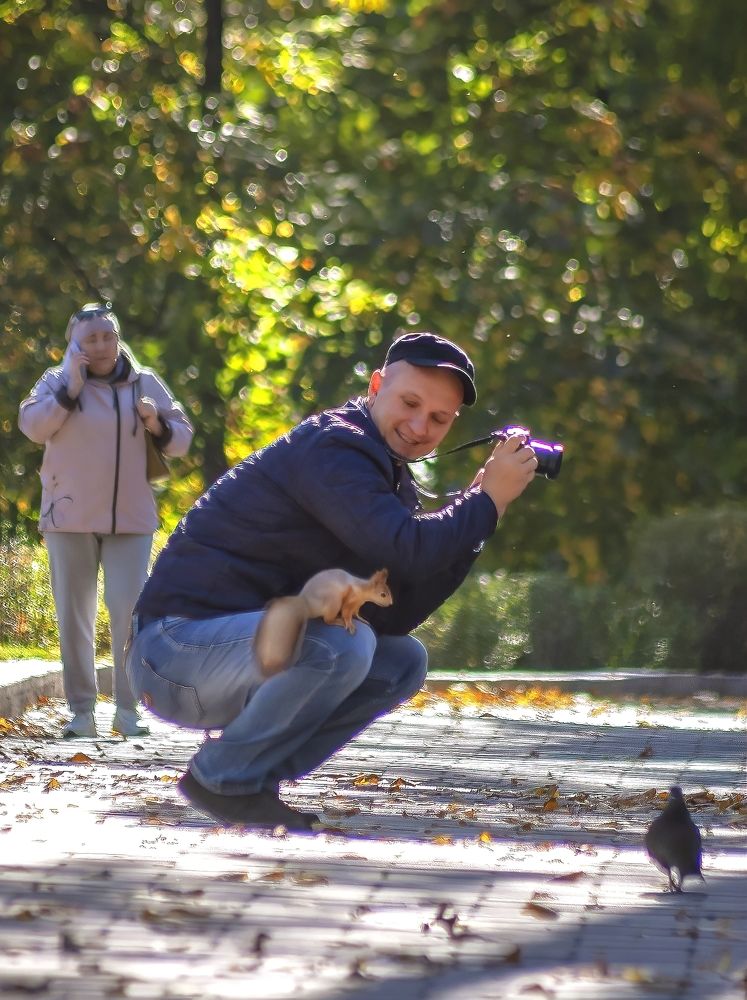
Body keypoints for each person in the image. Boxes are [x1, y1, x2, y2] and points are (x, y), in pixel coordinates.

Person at [125, 331, 538, 829]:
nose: (418, 425)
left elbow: (399, 608)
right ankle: (222, 777)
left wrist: (479, 505)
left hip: (228, 657)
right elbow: (404, 548)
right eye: (409, 402)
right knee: (341, 645)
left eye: (438, 418)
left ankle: (251, 782)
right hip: (171, 655)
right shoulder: (335, 447)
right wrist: (485, 503)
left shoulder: (385, 471)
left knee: (401, 660)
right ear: (377, 384)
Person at [18, 302, 194, 738]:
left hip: (130, 521)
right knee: (74, 615)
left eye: (107, 336)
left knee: (128, 613)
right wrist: (70, 389)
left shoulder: (144, 382)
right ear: (74, 345)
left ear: (118, 339)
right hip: (69, 517)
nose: (101, 345)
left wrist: (156, 424)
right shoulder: (55, 382)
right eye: (91, 338)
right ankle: (81, 712)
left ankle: (128, 710)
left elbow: (183, 440)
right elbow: (33, 427)